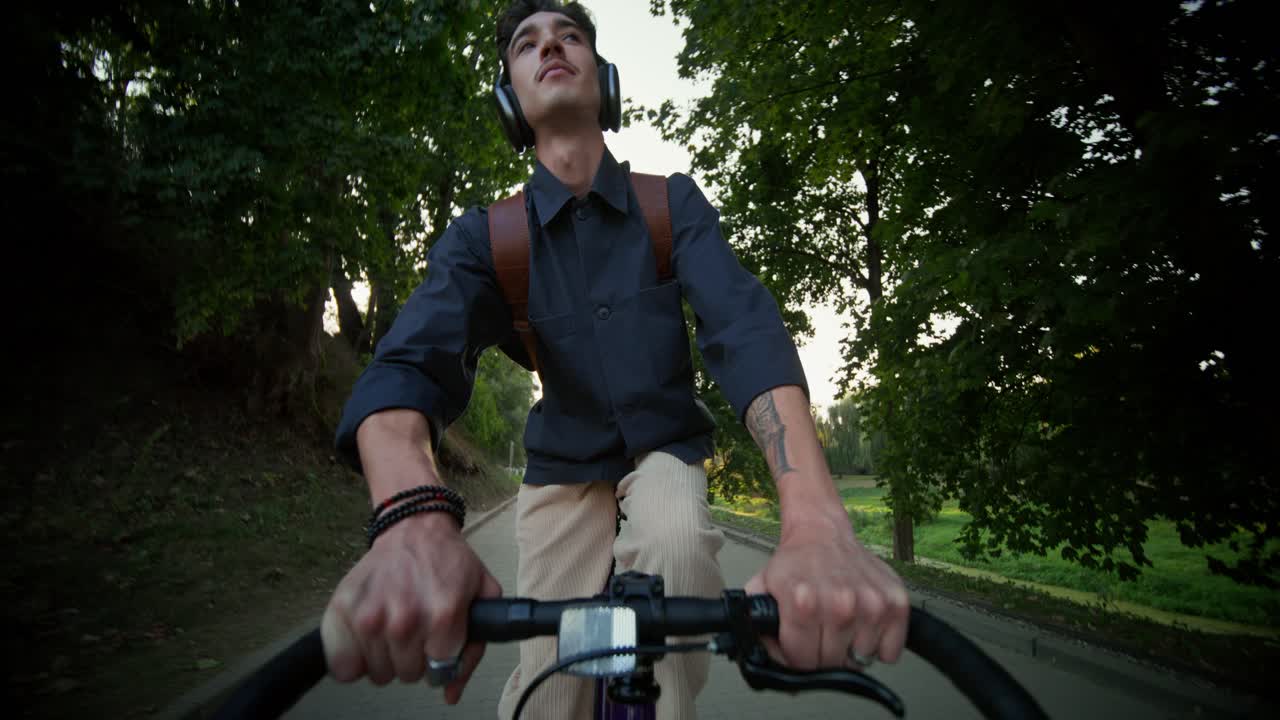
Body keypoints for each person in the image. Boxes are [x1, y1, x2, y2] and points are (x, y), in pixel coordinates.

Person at [320, 1, 910, 718]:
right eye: (527, 44)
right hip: (561, 465)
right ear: (510, 101)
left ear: (604, 79)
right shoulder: (486, 236)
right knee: (548, 683)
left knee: (678, 543)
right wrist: (411, 519)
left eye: (570, 36)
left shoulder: (672, 205)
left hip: (665, 448)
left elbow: (746, 330)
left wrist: (814, 523)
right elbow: (409, 361)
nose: (551, 46)